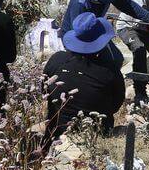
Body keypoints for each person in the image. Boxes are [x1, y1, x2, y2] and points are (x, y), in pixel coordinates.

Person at [43, 12, 125, 148]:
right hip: (97, 134)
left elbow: (45, 91)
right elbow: (115, 104)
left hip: (57, 132)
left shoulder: (56, 61)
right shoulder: (110, 70)